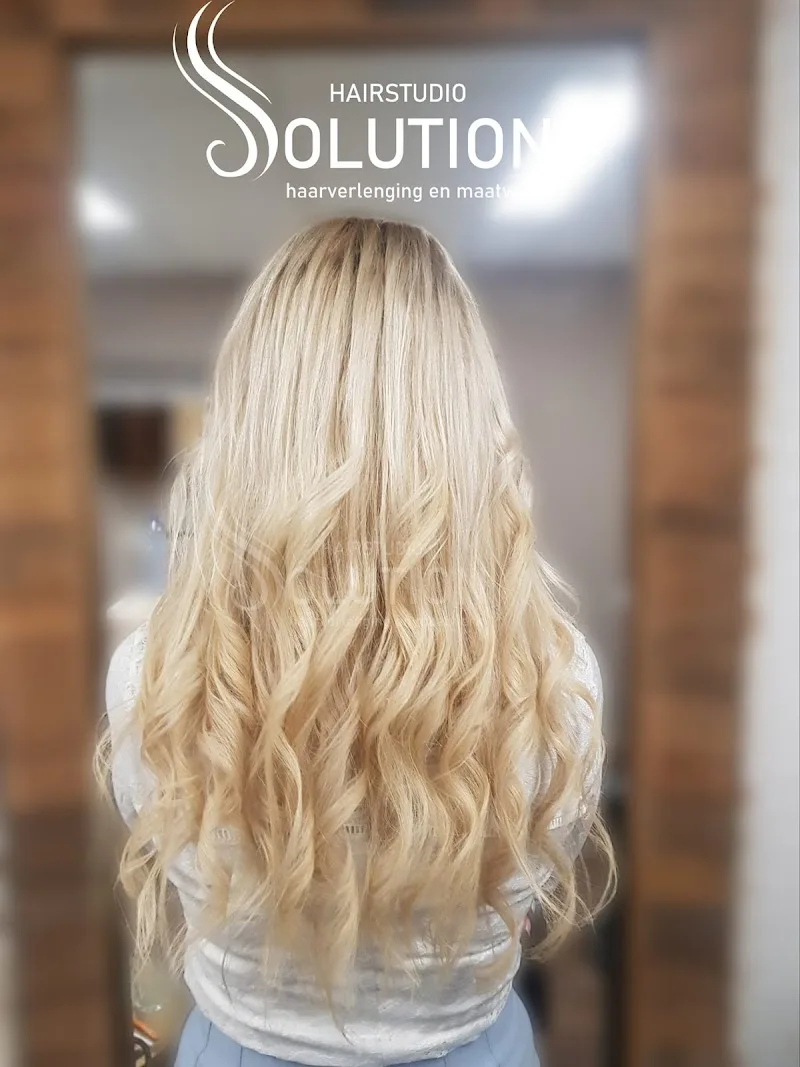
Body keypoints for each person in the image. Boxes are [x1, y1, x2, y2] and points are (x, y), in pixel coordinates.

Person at [99, 217, 613, 1067]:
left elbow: (180, 870)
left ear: (250, 422)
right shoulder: (560, 683)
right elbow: (525, 898)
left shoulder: (152, 677)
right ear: (469, 422)